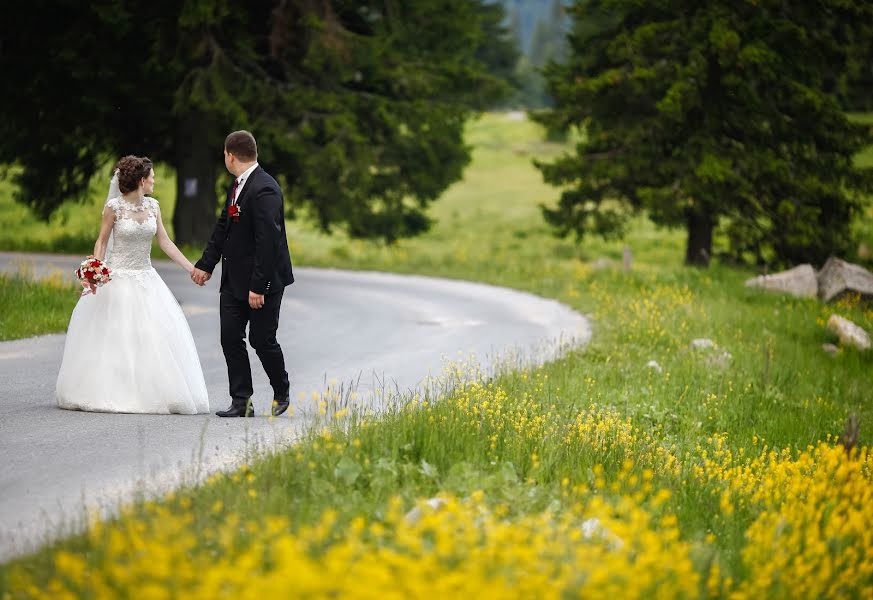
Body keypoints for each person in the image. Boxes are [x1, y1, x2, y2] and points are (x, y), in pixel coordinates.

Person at [56, 156, 210, 414]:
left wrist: (191, 268)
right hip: (117, 278)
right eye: (152, 176)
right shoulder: (113, 207)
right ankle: (111, 390)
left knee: (151, 337)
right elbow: (102, 242)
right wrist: (96, 270)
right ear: (141, 180)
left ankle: (152, 392)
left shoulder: (154, 206)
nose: (154, 180)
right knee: (115, 337)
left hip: (146, 279)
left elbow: (165, 242)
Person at [192, 130, 294, 417]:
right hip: (233, 279)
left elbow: (269, 241)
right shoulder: (236, 186)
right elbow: (224, 227)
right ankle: (241, 401)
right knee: (230, 337)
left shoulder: (265, 189)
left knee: (262, 340)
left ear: (230, 155)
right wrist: (206, 264)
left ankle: (281, 391)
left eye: (224, 154)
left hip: (264, 281)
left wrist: (259, 286)